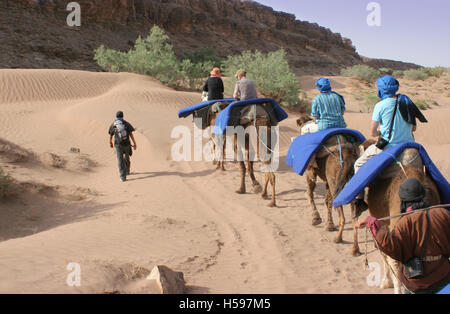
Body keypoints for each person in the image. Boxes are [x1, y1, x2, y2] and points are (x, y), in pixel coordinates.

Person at [356, 178, 450, 294]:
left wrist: (371, 222)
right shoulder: (442, 214)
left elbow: (392, 247)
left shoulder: (404, 223)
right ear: (423, 194)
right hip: (443, 276)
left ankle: (359, 200)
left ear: (404, 200)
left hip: (417, 284)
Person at [353, 75, 419, 214]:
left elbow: (372, 133)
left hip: (389, 147)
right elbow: (413, 128)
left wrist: (382, 131)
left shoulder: (380, 105)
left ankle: (359, 200)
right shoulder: (407, 103)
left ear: (381, 90)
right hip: (410, 146)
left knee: (358, 164)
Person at [108, 111, 137, 182]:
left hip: (118, 145)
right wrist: (134, 143)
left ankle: (123, 177)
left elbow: (111, 135)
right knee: (127, 156)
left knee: (120, 159)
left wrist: (110, 142)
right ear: (122, 116)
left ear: (116, 116)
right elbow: (131, 134)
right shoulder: (126, 124)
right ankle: (127, 171)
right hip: (127, 144)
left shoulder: (113, 124)